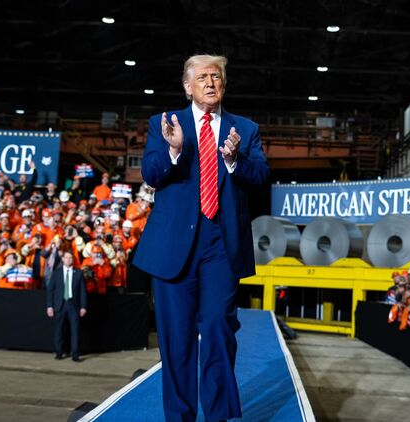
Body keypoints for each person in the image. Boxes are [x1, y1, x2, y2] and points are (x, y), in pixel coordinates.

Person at [132, 54, 269, 421]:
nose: (210, 83)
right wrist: (174, 150)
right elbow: (150, 174)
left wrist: (235, 161)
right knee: (176, 340)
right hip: (173, 248)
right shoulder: (164, 124)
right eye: (203, 77)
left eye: (216, 76)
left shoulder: (245, 129)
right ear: (187, 86)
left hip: (221, 245)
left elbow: (260, 177)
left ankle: (218, 415)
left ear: (224, 84)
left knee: (218, 327)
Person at [46, 251, 87, 362]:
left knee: (75, 330)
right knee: (59, 330)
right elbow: (51, 290)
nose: (68, 260)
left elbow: (83, 291)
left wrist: (83, 306)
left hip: (74, 305)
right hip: (60, 305)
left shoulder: (78, 273)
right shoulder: (57, 273)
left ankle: (75, 354)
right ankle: (59, 352)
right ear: (63, 259)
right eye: (66, 257)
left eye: (70, 258)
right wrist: (49, 306)